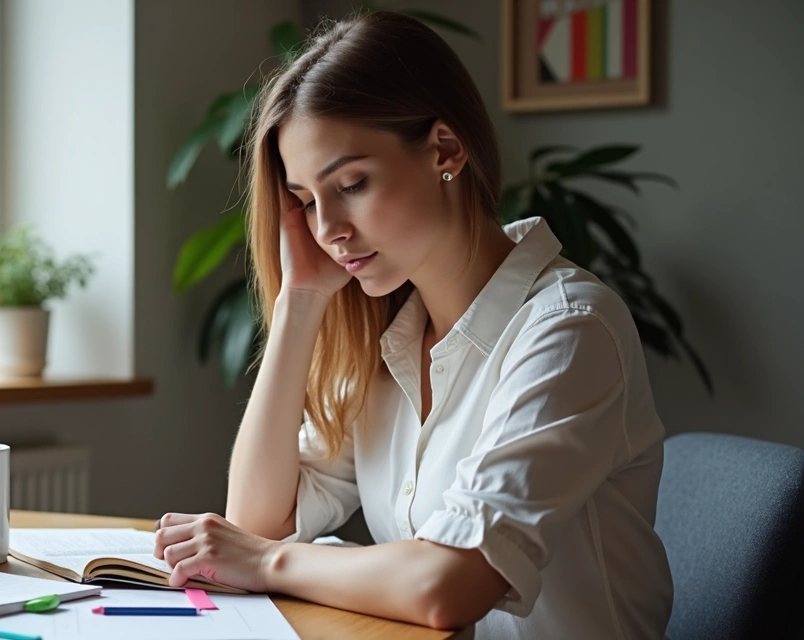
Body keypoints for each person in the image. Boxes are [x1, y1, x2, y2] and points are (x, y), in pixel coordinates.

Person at [152, 11, 673, 639]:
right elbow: (257, 522)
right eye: (308, 201)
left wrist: (267, 562)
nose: (328, 230)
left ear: (445, 151)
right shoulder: (392, 341)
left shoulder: (568, 331)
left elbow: (448, 585)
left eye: (351, 183)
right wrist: (298, 301)